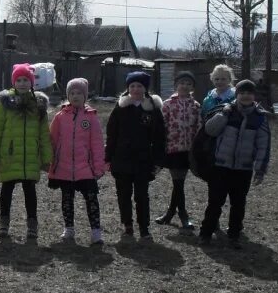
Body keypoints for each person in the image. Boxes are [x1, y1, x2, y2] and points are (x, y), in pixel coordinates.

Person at [199, 79, 270, 249]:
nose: (245, 96)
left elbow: (263, 145)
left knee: (238, 204)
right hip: (221, 167)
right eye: (242, 93)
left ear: (254, 95)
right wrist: (223, 113)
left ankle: (234, 236)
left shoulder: (259, 118)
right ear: (236, 94)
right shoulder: (226, 111)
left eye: (249, 93)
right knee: (215, 202)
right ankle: (205, 234)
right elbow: (210, 130)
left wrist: (259, 169)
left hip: (243, 169)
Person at [0, 63, 51, 241]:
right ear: (14, 82)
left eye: (25, 80)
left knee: (30, 191)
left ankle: (32, 225)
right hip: (9, 156)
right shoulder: (4, 104)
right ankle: (4, 223)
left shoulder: (38, 106)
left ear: (31, 83)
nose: (22, 83)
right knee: (7, 189)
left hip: (30, 157)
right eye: (19, 80)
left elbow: (44, 134)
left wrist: (46, 158)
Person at [104, 71, 166, 239]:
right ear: (128, 88)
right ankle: (127, 225)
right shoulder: (120, 107)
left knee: (142, 196)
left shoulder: (153, 109)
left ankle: (144, 228)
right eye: (132, 86)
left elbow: (160, 137)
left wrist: (159, 161)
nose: (136, 89)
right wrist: (107, 158)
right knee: (123, 195)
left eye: (139, 86)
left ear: (145, 88)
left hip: (143, 161)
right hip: (121, 159)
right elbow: (111, 134)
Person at [48, 77, 105, 245]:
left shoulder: (91, 117)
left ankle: (96, 231)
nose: (75, 96)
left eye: (79, 93)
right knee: (67, 199)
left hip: (85, 168)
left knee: (91, 199)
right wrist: (51, 164)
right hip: (64, 168)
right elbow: (52, 141)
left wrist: (98, 167)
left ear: (85, 96)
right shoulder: (60, 117)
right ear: (67, 95)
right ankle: (69, 228)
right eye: (72, 93)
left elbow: (97, 144)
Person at [156, 71, 200, 231]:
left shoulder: (195, 106)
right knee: (178, 182)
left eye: (189, 83)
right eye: (182, 83)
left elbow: (198, 127)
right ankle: (183, 214)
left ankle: (169, 213)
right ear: (176, 85)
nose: (185, 86)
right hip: (173, 149)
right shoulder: (168, 104)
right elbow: (162, 127)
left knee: (179, 183)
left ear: (192, 87)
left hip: (188, 150)